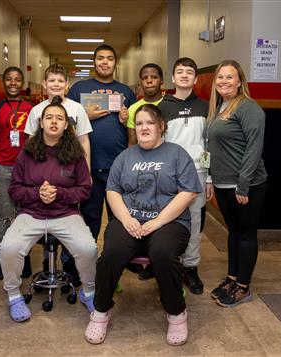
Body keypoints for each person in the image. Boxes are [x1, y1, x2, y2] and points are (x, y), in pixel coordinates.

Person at [84, 104, 202, 346]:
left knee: (163, 254)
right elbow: (112, 191)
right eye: (139, 124)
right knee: (111, 254)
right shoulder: (125, 156)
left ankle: (177, 313)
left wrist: (157, 221)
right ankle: (100, 311)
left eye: (149, 123)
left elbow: (188, 192)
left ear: (161, 126)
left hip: (170, 222)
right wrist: (127, 219)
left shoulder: (177, 154)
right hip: (131, 220)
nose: (144, 128)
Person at [0, 96, 97, 322]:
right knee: (9, 248)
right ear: (40, 123)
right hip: (31, 214)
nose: (54, 122)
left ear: (66, 125)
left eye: (59, 118)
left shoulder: (75, 155)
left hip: (65, 214)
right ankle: (14, 296)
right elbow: (14, 189)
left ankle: (88, 292)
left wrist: (59, 194)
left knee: (88, 248)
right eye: (49, 117)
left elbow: (85, 190)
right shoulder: (26, 153)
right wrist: (37, 194)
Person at [25, 63, 93, 287]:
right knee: (46, 218)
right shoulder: (36, 111)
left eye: (60, 81)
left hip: (71, 175)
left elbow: (84, 140)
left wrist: (87, 172)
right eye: (51, 81)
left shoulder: (76, 109)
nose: (55, 85)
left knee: (68, 216)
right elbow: (30, 143)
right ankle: (48, 263)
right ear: (44, 84)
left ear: (67, 85)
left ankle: (68, 265)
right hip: (43, 174)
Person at [207, 60, 267, 308]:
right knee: (233, 232)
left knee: (246, 234)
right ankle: (232, 279)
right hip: (222, 183)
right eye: (220, 77)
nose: (224, 82)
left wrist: (243, 185)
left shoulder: (248, 108)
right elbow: (211, 147)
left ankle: (243, 286)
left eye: (229, 77)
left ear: (240, 81)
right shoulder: (221, 107)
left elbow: (254, 149)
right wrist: (210, 177)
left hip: (246, 185)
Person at [67, 44, 137, 241]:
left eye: (109, 58)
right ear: (94, 62)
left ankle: (118, 257)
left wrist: (125, 121)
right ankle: (87, 257)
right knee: (90, 216)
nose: (105, 62)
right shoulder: (78, 88)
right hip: (87, 164)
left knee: (120, 216)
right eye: (100, 58)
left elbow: (135, 129)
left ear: (115, 63)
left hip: (118, 165)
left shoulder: (125, 91)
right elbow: (65, 124)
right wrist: (85, 116)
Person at [158, 57, 213, 295]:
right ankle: (164, 263)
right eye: (179, 71)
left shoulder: (205, 106)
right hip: (168, 173)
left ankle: (190, 267)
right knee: (165, 218)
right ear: (173, 77)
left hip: (197, 173)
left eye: (189, 72)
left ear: (195, 78)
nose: (184, 75)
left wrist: (209, 177)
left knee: (194, 221)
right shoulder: (162, 107)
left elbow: (207, 144)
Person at [0, 66, 33, 280]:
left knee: (25, 216)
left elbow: (35, 142)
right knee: (4, 215)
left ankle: (23, 256)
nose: (13, 83)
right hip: (3, 169)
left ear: (23, 83)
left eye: (17, 79)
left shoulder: (31, 109)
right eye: (9, 79)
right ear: (3, 82)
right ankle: (0, 257)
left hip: (26, 170)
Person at [127, 63, 165, 146]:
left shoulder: (171, 104)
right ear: (140, 82)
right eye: (144, 78)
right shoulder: (133, 109)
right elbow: (132, 143)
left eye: (154, 77)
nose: (149, 81)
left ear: (161, 80)